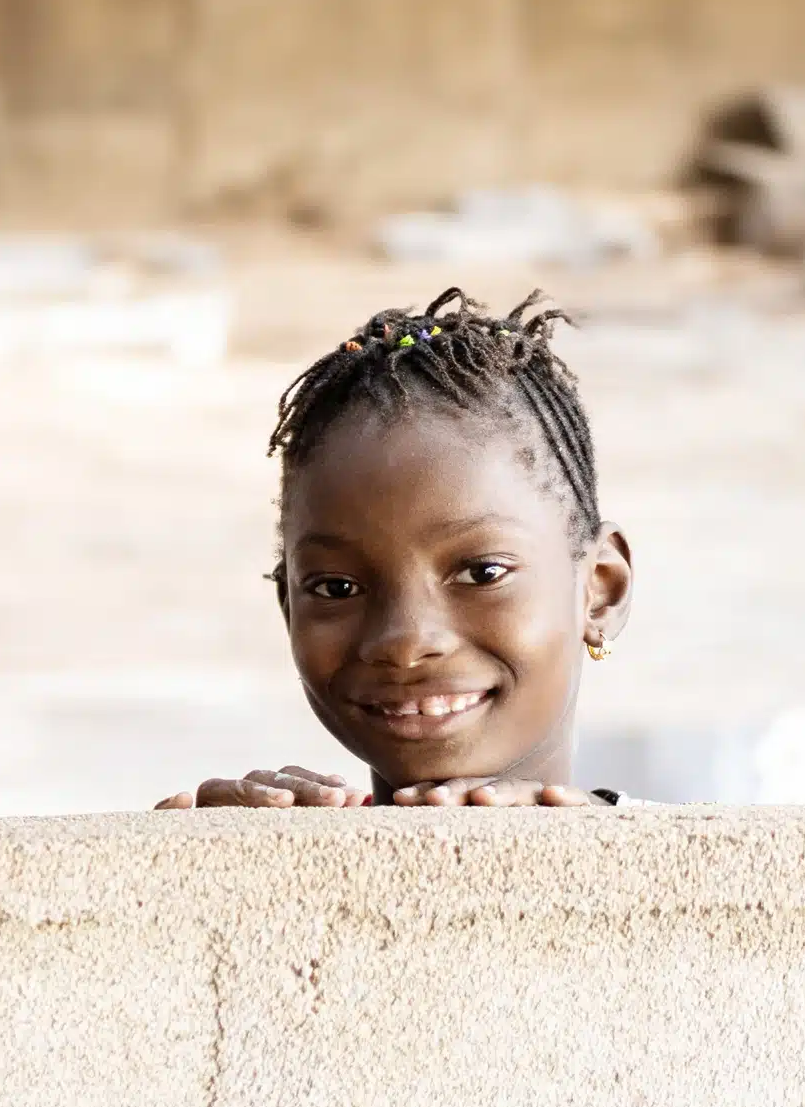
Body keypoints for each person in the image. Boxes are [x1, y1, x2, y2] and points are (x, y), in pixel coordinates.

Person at [157, 289, 634, 811]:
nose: (405, 642)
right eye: (336, 588)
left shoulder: (690, 860)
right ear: (289, 607)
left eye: (482, 572)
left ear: (601, 590)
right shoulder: (282, 849)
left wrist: (609, 845)